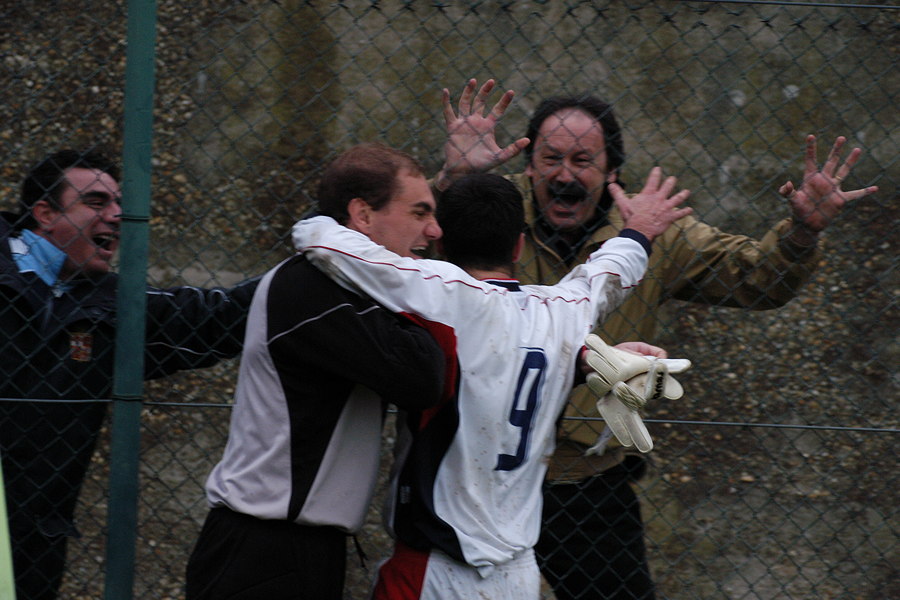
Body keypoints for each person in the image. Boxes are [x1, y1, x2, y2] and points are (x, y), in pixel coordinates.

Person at [434, 78, 880, 600]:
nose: (564, 175)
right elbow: (408, 260)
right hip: (483, 472)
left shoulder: (651, 231)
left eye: (583, 160)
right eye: (550, 159)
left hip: (585, 481)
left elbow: (759, 278)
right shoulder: (490, 213)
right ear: (528, 165)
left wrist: (801, 232)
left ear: (612, 170)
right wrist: (452, 182)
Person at [291, 168, 691, 598]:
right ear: (519, 245)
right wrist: (639, 228)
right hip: (516, 576)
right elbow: (612, 271)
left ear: (440, 242)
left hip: (435, 569)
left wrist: (323, 215)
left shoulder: (437, 292)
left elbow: (320, 243)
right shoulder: (566, 309)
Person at [184, 143, 447, 600]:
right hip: (264, 553)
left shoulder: (351, 288)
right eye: (420, 212)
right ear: (362, 215)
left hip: (300, 549)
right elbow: (422, 377)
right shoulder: (313, 289)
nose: (434, 229)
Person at [0, 149, 261, 600]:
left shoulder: (110, 305)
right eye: (97, 202)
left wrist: (320, 256)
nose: (118, 216)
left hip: (33, 545)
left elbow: (215, 319)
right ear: (45, 213)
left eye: (119, 203)